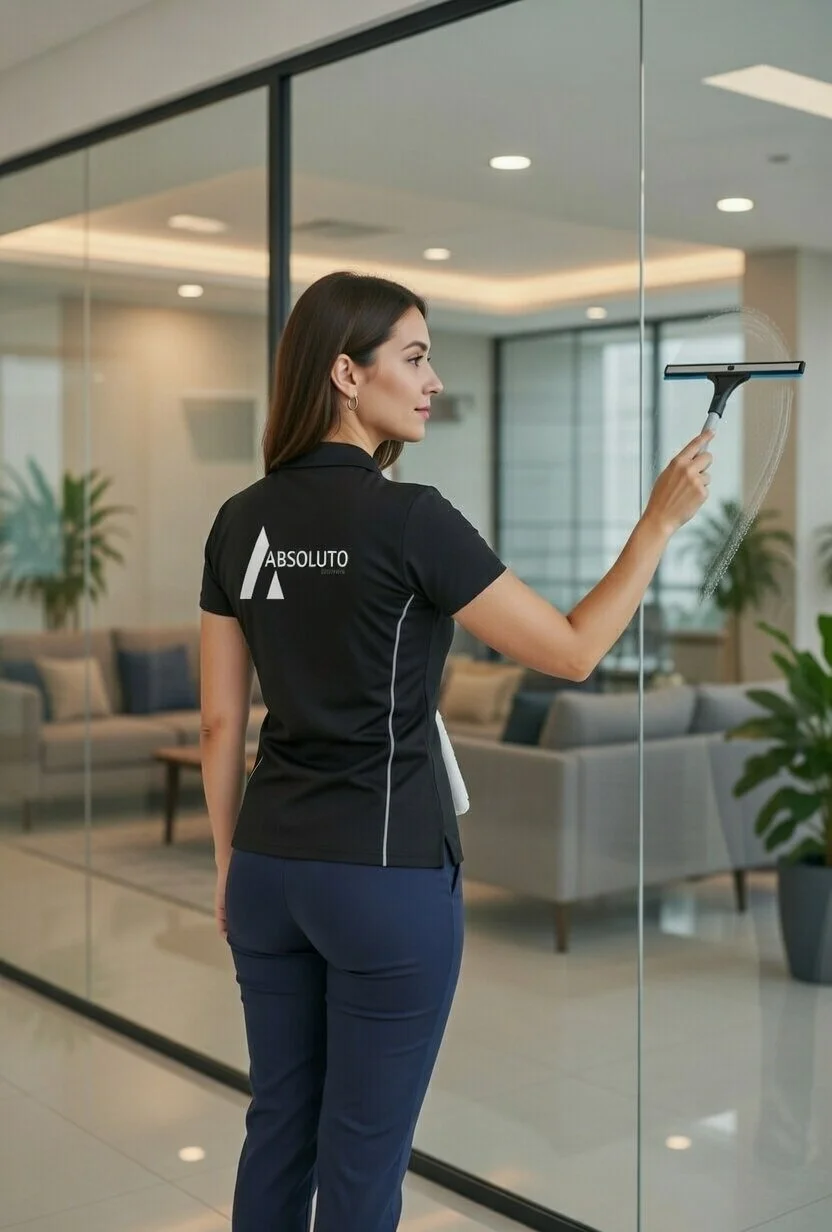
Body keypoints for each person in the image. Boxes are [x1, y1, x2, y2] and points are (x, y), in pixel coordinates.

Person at [198, 270, 712, 1231]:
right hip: (384, 877)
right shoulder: (409, 518)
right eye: (416, 357)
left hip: (270, 865)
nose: (434, 380)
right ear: (347, 374)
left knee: (279, 1129)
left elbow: (221, 725)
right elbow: (571, 650)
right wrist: (658, 524)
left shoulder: (239, 521)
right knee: (361, 1159)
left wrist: (232, 864)